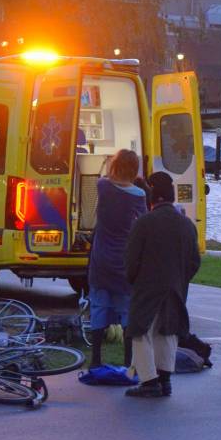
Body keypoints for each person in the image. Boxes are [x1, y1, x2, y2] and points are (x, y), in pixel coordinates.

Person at [124, 172, 201, 398]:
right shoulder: (187, 225)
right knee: (167, 332)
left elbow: (131, 259)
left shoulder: (144, 223)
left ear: (152, 198)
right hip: (176, 286)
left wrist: (133, 279)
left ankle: (149, 380)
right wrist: (181, 278)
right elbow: (194, 261)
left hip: (148, 285)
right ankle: (165, 379)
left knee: (141, 333)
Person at [87, 149, 147, 369]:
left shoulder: (103, 186)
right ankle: (127, 360)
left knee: (98, 307)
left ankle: (95, 359)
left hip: (101, 257)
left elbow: (103, 180)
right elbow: (143, 221)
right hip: (123, 259)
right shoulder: (139, 196)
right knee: (125, 310)